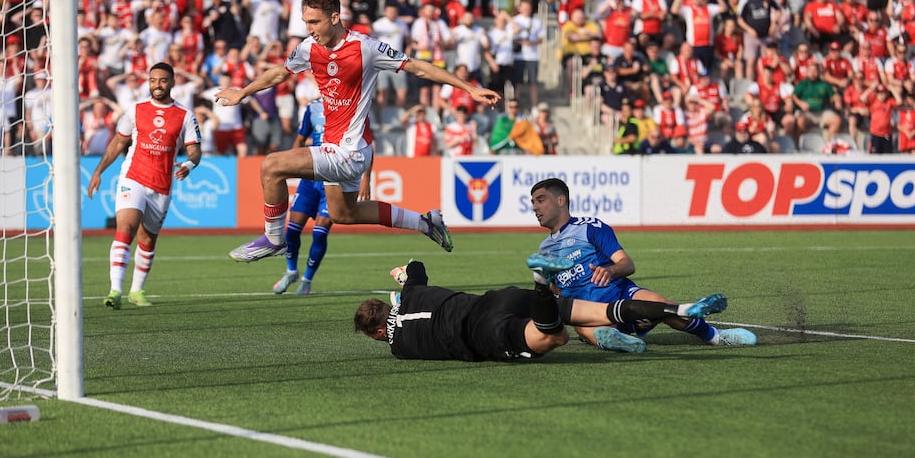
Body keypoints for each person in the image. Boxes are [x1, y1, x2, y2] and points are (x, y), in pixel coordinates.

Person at [215, 0, 500, 261]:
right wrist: (242, 92)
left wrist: (469, 88)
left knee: (271, 166)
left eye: (315, 22)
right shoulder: (308, 48)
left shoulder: (366, 47)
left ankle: (275, 239)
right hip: (338, 149)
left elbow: (417, 68)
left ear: (335, 18)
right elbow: (279, 73)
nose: (309, 29)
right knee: (344, 214)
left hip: (348, 151)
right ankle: (425, 222)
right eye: (306, 23)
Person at [527, 178, 756, 353]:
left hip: (620, 296)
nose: (535, 207)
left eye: (540, 200)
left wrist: (609, 271)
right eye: (533, 202)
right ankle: (622, 341)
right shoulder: (544, 250)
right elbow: (555, 294)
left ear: (560, 200)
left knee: (661, 304)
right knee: (588, 328)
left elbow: (627, 264)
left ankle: (715, 336)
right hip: (590, 313)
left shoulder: (590, 227)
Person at [355, 260, 729, 361]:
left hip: (480, 334)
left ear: (375, 333)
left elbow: (397, 326)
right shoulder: (415, 294)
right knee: (596, 310)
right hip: (493, 299)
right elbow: (417, 267)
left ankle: (541, 285)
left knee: (556, 337)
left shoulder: (398, 348)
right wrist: (404, 276)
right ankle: (677, 308)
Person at [87, 62, 202, 309]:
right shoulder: (135, 109)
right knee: (126, 227)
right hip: (134, 177)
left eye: (162, 80)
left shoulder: (185, 115)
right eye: (152, 80)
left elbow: (195, 150)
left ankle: (136, 291)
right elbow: (118, 143)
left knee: (148, 240)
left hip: (162, 184)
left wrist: (189, 165)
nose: (156, 85)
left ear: (171, 82)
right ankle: (115, 290)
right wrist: (98, 171)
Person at [272, 98, 369, 296]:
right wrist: (291, 163)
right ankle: (291, 271)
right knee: (291, 230)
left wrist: (367, 178)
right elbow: (300, 138)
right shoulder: (313, 107)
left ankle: (307, 279)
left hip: (334, 179)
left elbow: (368, 143)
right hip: (310, 178)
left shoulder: (353, 105)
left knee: (319, 232)